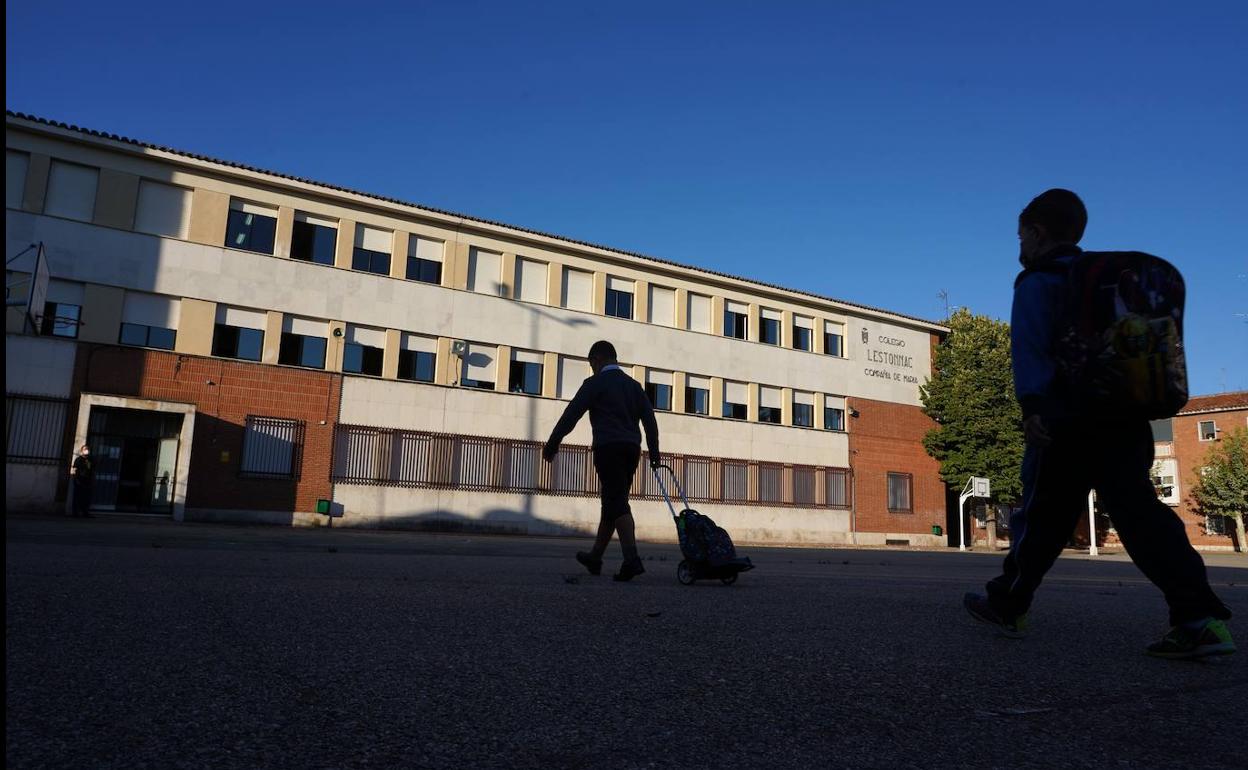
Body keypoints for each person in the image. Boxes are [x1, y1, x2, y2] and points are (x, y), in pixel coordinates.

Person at [964, 188, 1234, 659]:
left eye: (1021, 236)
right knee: (1142, 515)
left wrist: (1033, 408)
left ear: (1036, 232)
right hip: (1125, 418)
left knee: (1042, 516)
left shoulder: (1039, 281)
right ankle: (1199, 619)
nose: (1020, 247)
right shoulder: (1109, 280)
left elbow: (1029, 350)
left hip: (1066, 419)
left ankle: (1008, 604)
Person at [543, 340, 660, 581]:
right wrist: (655, 454)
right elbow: (650, 421)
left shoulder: (595, 384)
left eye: (591, 364)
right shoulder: (634, 386)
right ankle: (595, 557)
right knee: (611, 503)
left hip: (609, 448)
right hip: (631, 450)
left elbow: (571, 414)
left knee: (616, 502)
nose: (592, 369)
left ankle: (631, 559)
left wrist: (553, 442)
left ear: (597, 360)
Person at [70, 443, 94, 518]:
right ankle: (75, 512)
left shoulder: (90, 460)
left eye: (87, 449)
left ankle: (85, 512)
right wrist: (75, 479)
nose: (86, 451)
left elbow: (92, 469)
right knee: (77, 497)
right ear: (81, 451)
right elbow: (74, 469)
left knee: (86, 497)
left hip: (87, 481)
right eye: (85, 449)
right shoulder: (78, 459)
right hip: (79, 481)